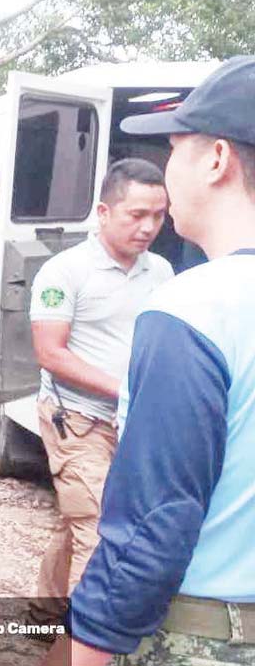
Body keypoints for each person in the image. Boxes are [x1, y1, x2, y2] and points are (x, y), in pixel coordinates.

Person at [52, 56, 255, 665]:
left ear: (216, 158)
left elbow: (154, 521)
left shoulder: (195, 305)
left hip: (207, 637)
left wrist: (90, 648)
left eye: (175, 147)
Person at [28, 158, 173, 624]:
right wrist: (125, 390)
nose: (148, 226)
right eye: (137, 215)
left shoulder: (162, 272)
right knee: (97, 531)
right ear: (103, 211)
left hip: (131, 423)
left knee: (78, 522)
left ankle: (43, 613)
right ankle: (82, 642)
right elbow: (50, 353)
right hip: (77, 420)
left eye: (158, 215)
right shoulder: (64, 272)